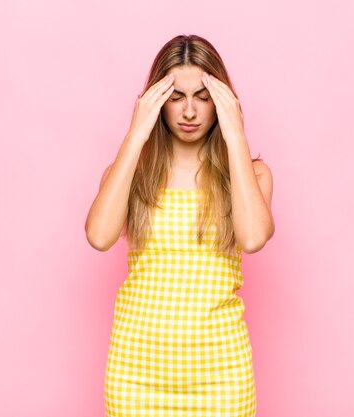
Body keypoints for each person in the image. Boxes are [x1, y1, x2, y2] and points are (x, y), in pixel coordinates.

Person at [85, 34, 274, 417]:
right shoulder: (129, 174)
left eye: (203, 98)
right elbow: (99, 236)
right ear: (157, 102)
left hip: (221, 376)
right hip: (135, 373)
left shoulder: (252, 175)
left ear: (221, 102)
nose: (190, 111)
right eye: (175, 98)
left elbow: (253, 238)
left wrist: (235, 132)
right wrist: (136, 133)